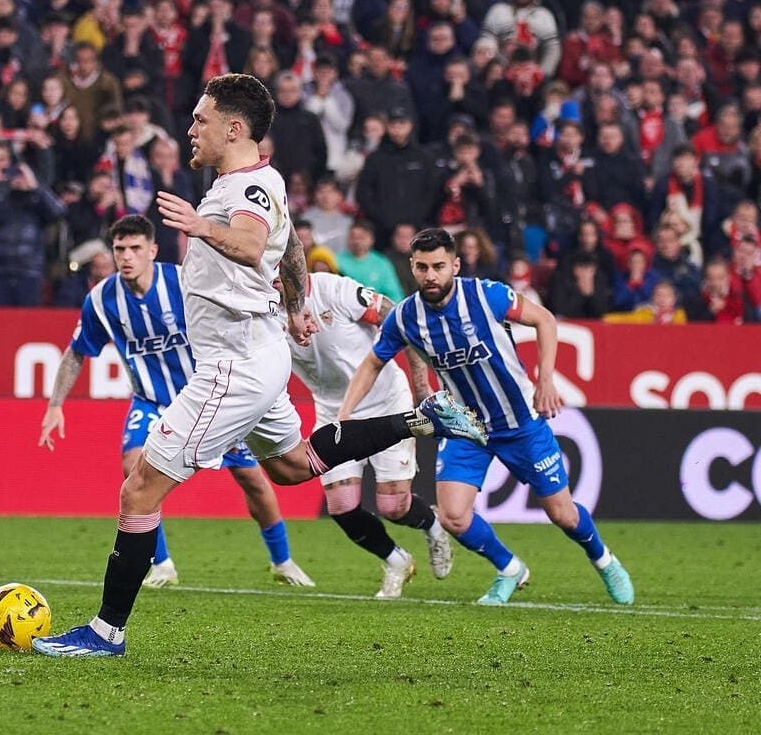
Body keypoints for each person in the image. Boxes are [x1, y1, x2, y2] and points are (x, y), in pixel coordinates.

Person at [33, 74, 486, 658]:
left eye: (200, 120)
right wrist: (296, 307)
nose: (191, 129)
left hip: (234, 362)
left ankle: (105, 633)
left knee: (139, 488)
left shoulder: (246, 188)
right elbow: (290, 246)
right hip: (258, 352)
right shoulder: (254, 182)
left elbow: (251, 245)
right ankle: (420, 420)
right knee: (293, 468)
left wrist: (200, 226)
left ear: (233, 128)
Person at [338, 227, 635, 607]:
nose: (431, 275)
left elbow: (545, 320)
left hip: (520, 423)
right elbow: (372, 363)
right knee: (453, 517)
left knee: (563, 515)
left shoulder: (486, 295)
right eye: (423, 267)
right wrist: (345, 414)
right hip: (465, 427)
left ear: (455, 266)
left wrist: (546, 380)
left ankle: (604, 560)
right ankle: (509, 568)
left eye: (439, 266)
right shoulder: (405, 317)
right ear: (412, 267)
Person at [39, 214, 315, 589]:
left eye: (135, 248)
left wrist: (284, 311)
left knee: (252, 478)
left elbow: (236, 307)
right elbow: (76, 352)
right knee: (133, 466)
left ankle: (282, 561)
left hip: (210, 398)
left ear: (152, 250)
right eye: (120, 249)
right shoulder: (102, 300)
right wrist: (55, 404)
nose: (127, 256)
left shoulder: (185, 282)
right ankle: (162, 564)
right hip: (152, 401)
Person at [287, 271, 453, 598]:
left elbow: (399, 318)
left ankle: (434, 525)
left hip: (387, 402)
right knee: (341, 506)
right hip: (334, 411)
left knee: (393, 507)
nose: (274, 276)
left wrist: (421, 385)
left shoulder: (335, 289)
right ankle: (396, 561)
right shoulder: (263, 309)